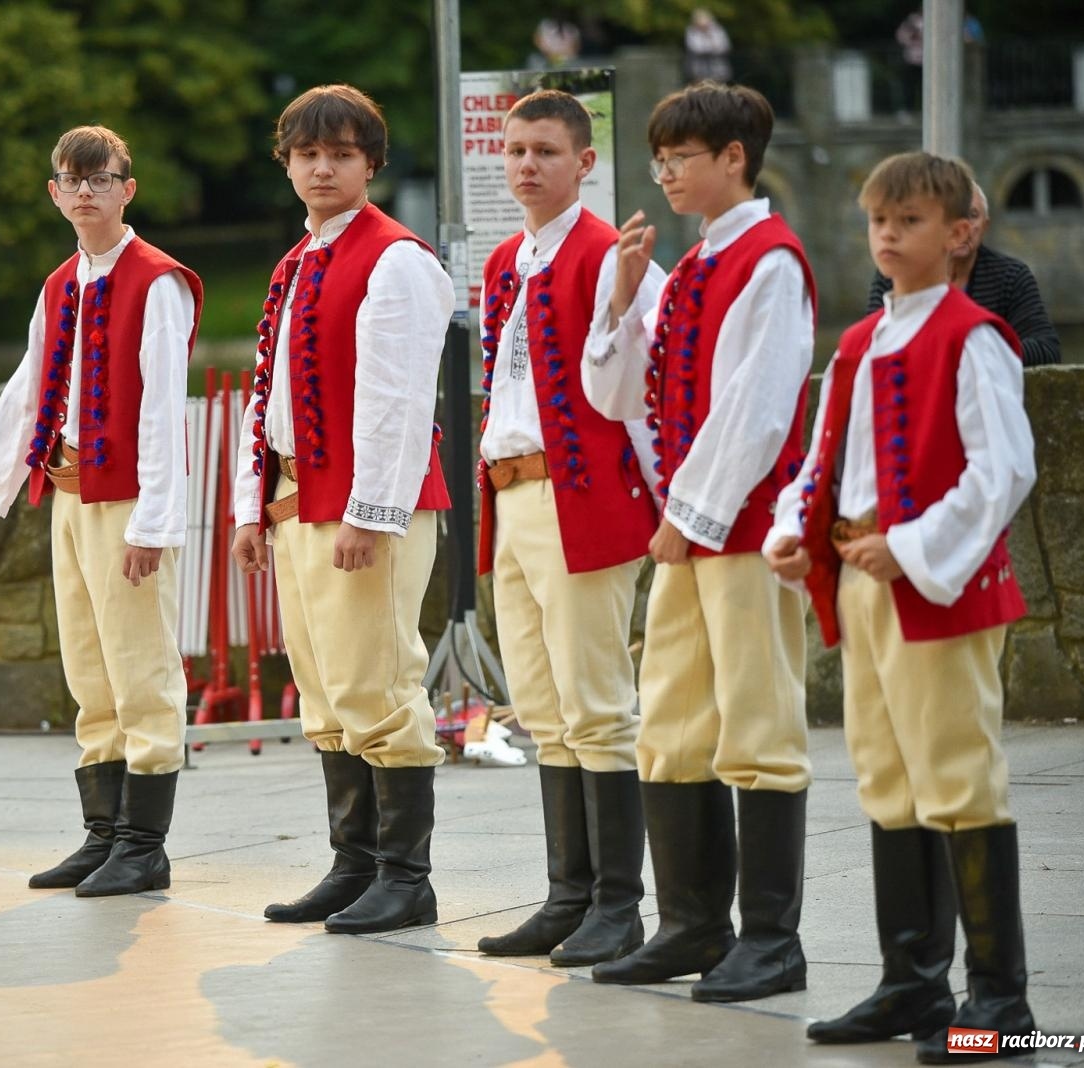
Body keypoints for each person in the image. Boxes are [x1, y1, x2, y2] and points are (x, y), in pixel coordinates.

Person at [768, 152, 1037, 1062]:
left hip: (932, 583)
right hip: (859, 572)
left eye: (911, 220)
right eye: (879, 219)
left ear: (961, 232)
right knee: (887, 777)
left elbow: (1003, 470)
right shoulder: (859, 341)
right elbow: (824, 457)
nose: (888, 234)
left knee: (959, 777)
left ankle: (1000, 1004)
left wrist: (913, 549)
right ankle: (912, 984)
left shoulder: (975, 336)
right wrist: (793, 530)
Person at [580, 81, 815, 1002]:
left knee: (760, 723)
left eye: (683, 156)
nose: (666, 172)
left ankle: (772, 940)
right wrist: (623, 298)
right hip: (692, 529)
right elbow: (615, 393)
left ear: (734, 158)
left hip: (741, 531)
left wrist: (690, 516)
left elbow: (758, 411)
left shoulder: (772, 260)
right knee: (672, 723)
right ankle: (689, 926)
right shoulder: (695, 263)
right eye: (660, 158)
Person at [0, 126, 202, 897]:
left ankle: (143, 844)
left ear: (129, 189)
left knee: (141, 671)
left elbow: (162, 409)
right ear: (56, 193)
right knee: (90, 672)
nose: (87, 190)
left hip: (126, 501)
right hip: (66, 495)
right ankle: (102, 834)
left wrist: (154, 526)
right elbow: (30, 388)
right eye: (73, 178)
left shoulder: (155, 281)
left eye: (103, 177)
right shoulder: (62, 282)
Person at [230, 84, 453, 936]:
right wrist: (255, 506)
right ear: (287, 162)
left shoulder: (395, 259)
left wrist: (372, 513)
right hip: (298, 501)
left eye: (343, 154)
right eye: (308, 154)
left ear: (372, 165)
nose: (323, 167)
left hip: (366, 505)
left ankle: (407, 876)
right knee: (322, 691)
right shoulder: (299, 261)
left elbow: (398, 402)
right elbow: (271, 400)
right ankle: (354, 864)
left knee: (379, 681)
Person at [472, 90, 661, 966]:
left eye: (545, 151)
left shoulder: (608, 254)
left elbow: (645, 386)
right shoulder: (508, 256)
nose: (525, 165)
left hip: (578, 494)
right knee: (543, 707)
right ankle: (569, 896)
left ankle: (617, 905)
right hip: (513, 495)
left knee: (595, 703)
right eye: (514, 150)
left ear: (585, 163)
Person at [868, 174, 1061, 367]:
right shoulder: (897, 274)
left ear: (985, 225)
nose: (963, 227)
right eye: (953, 216)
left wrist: (970, 355)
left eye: (973, 215)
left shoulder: (1011, 276)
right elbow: (873, 345)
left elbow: (1046, 349)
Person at [684, 9, 732, 84]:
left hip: (718, 67)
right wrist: (712, 47)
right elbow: (695, 48)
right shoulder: (692, 31)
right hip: (699, 67)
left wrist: (709, 41)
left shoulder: (718, 30)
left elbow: (724, 46)